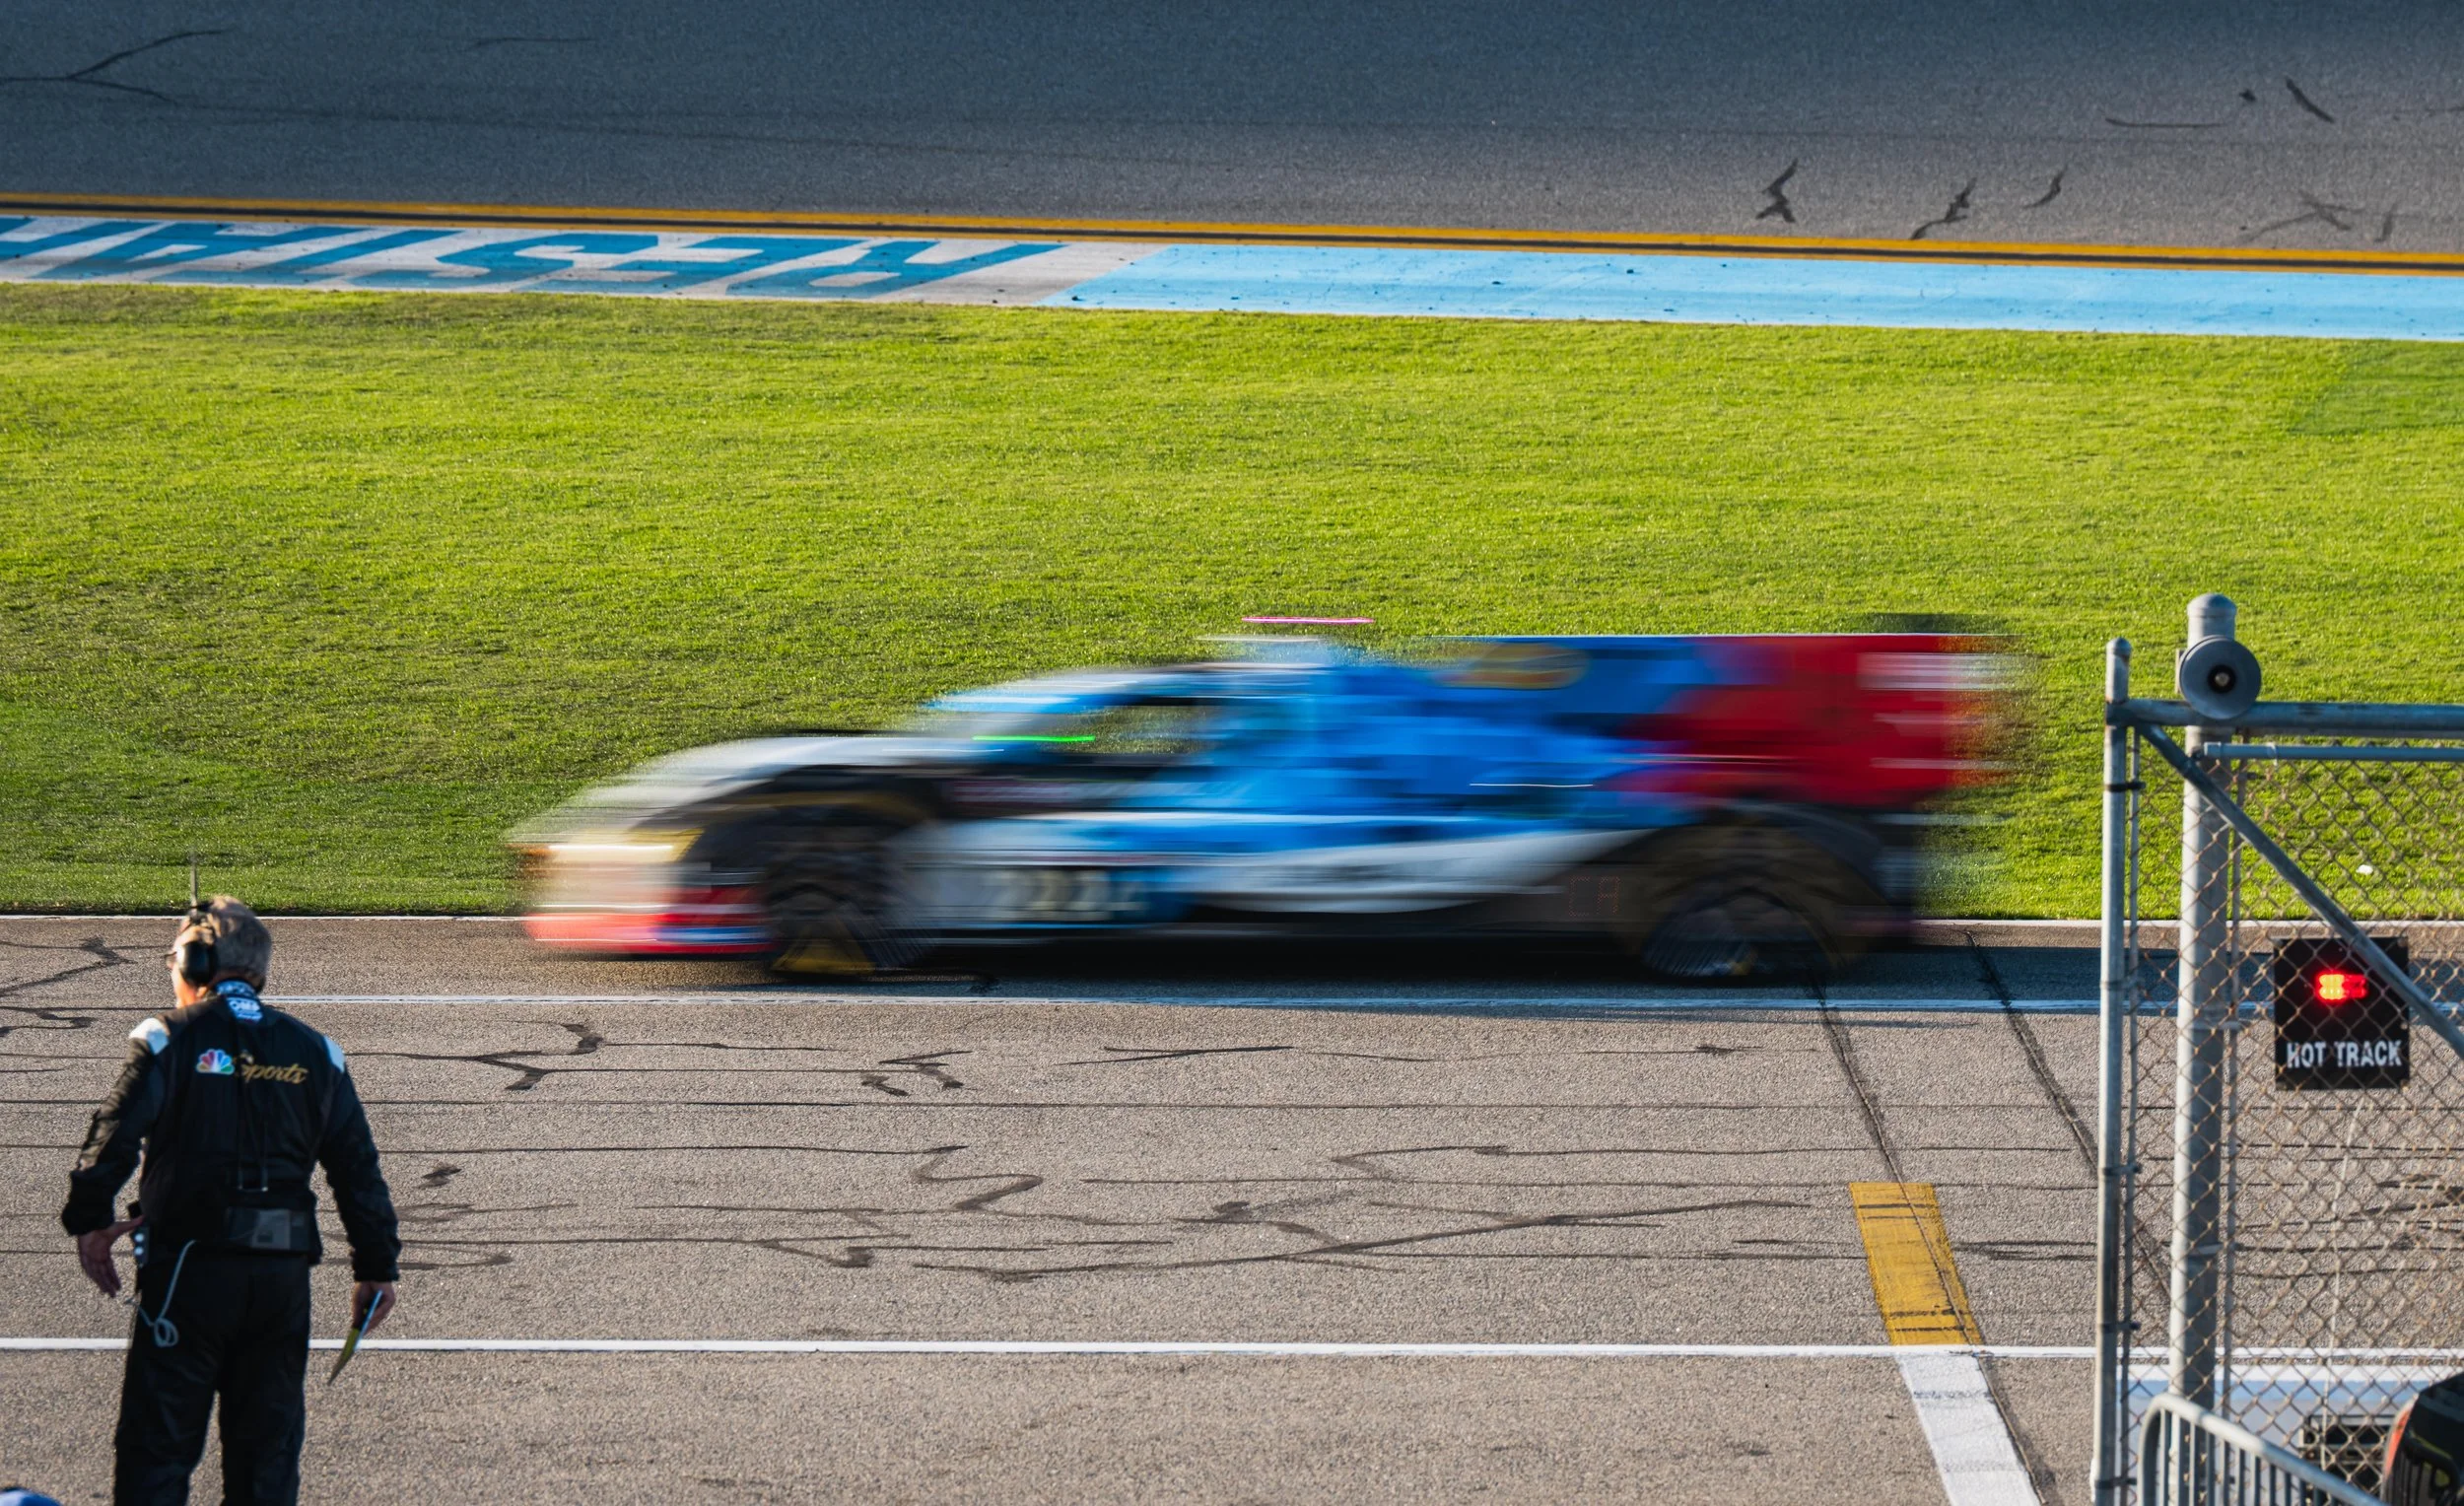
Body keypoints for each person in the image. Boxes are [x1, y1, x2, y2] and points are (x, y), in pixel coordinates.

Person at [61, 896, 401, 1506]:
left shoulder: (167, 1037)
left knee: (156, 1456)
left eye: (173, 959)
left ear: (194, 962)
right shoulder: (317, 1051)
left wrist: (89, 1219)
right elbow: (358, 1171)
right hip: (280, 1282)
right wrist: (376, 1267)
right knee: (266, 1465)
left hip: (189, 1273)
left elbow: (114, 1132)